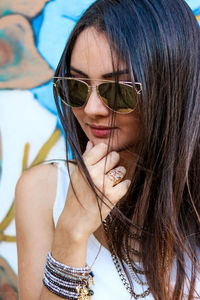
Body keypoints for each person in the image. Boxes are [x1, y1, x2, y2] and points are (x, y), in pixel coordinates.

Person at [15, 0, 200, 299]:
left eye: (118, 91)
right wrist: (71, 235)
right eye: (75, 85)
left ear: (168, 88)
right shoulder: (45, 191)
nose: (91, 109)